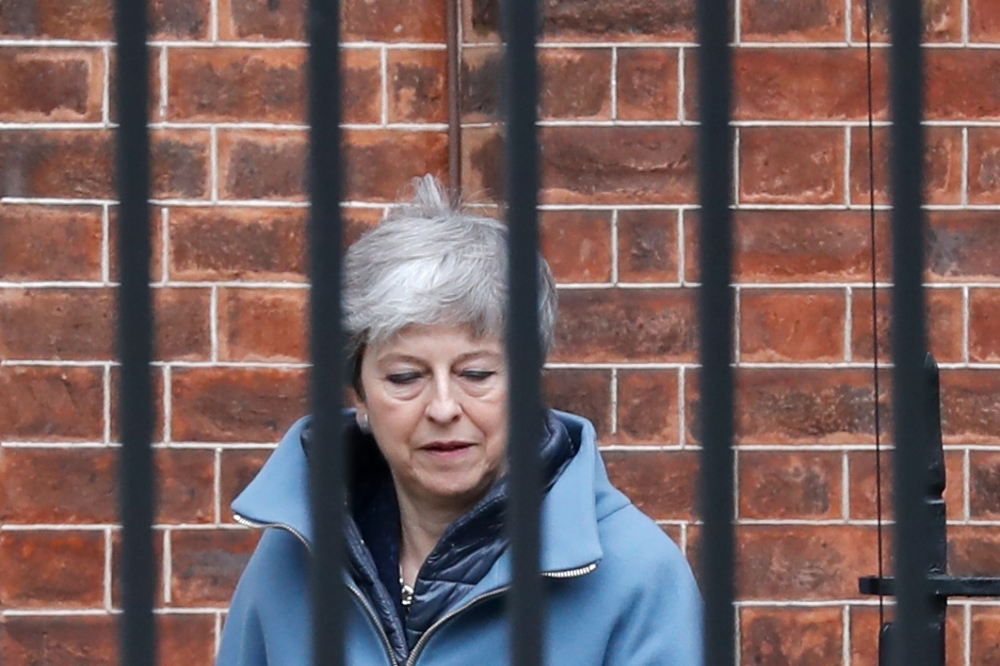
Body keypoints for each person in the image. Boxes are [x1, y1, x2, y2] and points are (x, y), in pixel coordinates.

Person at [216, 176, 703, 666]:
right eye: (406, 377)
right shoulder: (287, 563)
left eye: (476, 373)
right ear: (360, 396)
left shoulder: (636, 576)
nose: (444, 407)